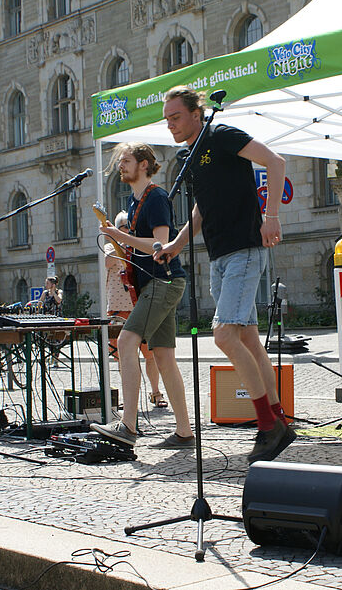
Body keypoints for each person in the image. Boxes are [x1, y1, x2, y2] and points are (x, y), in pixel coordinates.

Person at [156, 85, 295, 463]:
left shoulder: (222, 135)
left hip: (244, 251)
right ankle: (280, 420)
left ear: (196, 113)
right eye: (167, 120)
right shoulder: (189, 155)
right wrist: (177, 244)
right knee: (248, 339)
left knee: (224, 334)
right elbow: (201, 208)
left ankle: (267, 425)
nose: (170, 125)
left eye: (176, 117)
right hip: (219, 257)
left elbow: (275, 162)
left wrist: (271, 217)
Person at [92, 142, 194, 449]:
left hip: (164, 281)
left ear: (144, 165)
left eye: (126, 160)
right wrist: (118, 242)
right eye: (121, 161)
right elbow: (136, 250)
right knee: (163, 357)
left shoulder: (156, 197)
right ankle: (184, 432)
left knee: (126, 341)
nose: (120, 165)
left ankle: (128, 426)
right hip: (157, 283)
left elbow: (160, 245)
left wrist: (118, 235)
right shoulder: (134, 202)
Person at [104, 210, 167, 409]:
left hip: (139, 305)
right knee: (123, 357)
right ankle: (129, 396)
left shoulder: (138, 246)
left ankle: (155, 392)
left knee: (150, 355)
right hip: (118, 308)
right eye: (123, 227)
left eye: (129, 228)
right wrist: (121, 242)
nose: (127, 231)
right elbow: (107, 262)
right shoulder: (110, 246)